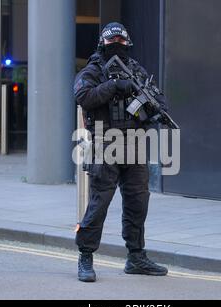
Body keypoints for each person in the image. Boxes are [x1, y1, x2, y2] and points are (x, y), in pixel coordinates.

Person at [73, 22, 168, 282]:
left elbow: (159, 100)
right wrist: (114, 86)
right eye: (111, 40)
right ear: (102, 43)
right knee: (99, 202)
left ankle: (136, 257)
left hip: (135, 144)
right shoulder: (93, 70)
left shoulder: (135, 69)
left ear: (128, 43)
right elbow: (83, 96)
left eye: (121, 40)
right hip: (106, 144)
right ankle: (85, 256)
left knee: (138, 202)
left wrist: (152, 106)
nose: (117, 44)